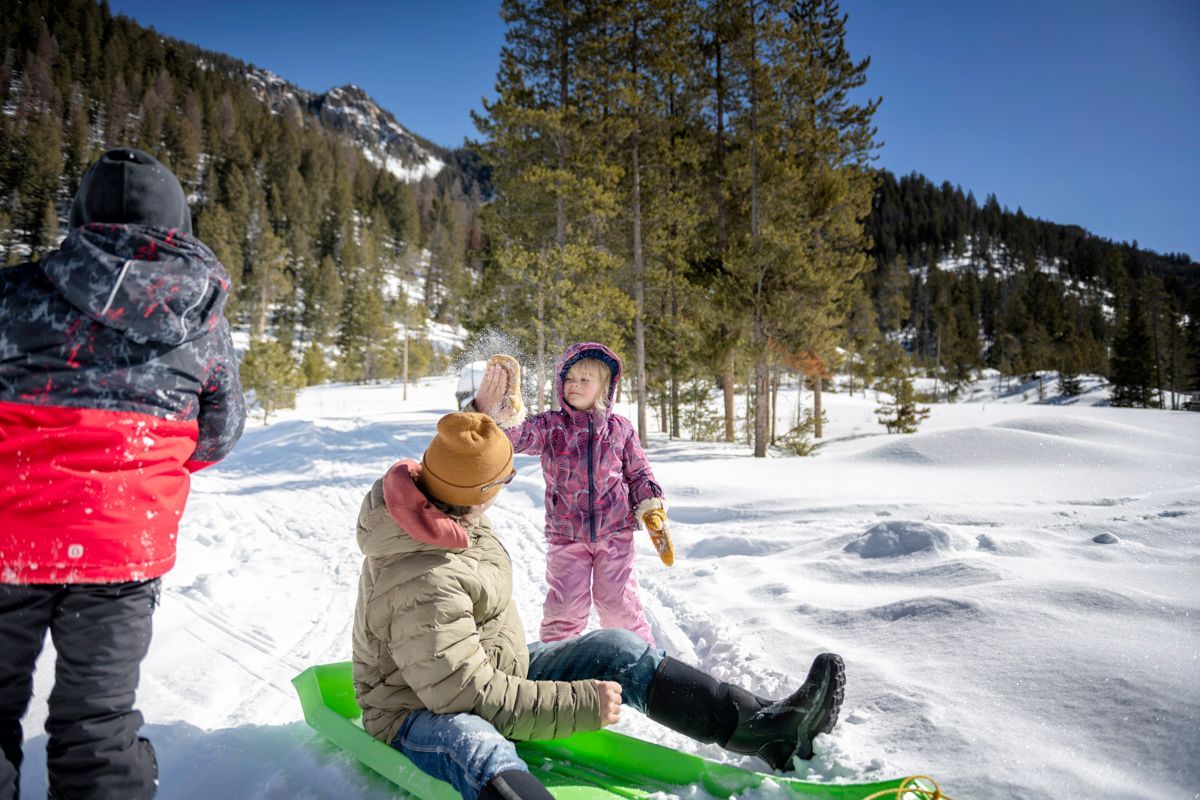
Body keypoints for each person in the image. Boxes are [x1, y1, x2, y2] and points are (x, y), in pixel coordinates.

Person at [352, 411, 845, 800]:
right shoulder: (423, 581)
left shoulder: (441, 499)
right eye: (502, 480)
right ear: (478, 494)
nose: (506, 485)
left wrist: (486, 416)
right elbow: (465, 697)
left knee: (616, 647)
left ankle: (765, 730)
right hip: (415, 711)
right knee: (478, 746)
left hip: (489, 669)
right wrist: (580, 704)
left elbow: (465, 452)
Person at [0, 147, 246, 799]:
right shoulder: (202, 317)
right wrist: (144, 467)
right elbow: (221, 429)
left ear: (81, 218)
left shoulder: (15, 291)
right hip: (122, 546)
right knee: (97, 727)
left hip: (9, 535)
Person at [471, 342, 668, 647]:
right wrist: (503, 414)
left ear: (605, 387)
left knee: (617, 604)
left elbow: (639, 472)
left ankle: (641, 658)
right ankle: (555, 659)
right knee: (565, 608)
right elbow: (515, 438)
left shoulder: (621, 429)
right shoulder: (552, 427)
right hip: (567, 535)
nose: (574, 385)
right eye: (569, 379)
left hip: (614, 533)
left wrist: (651, 507)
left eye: (584, 380)